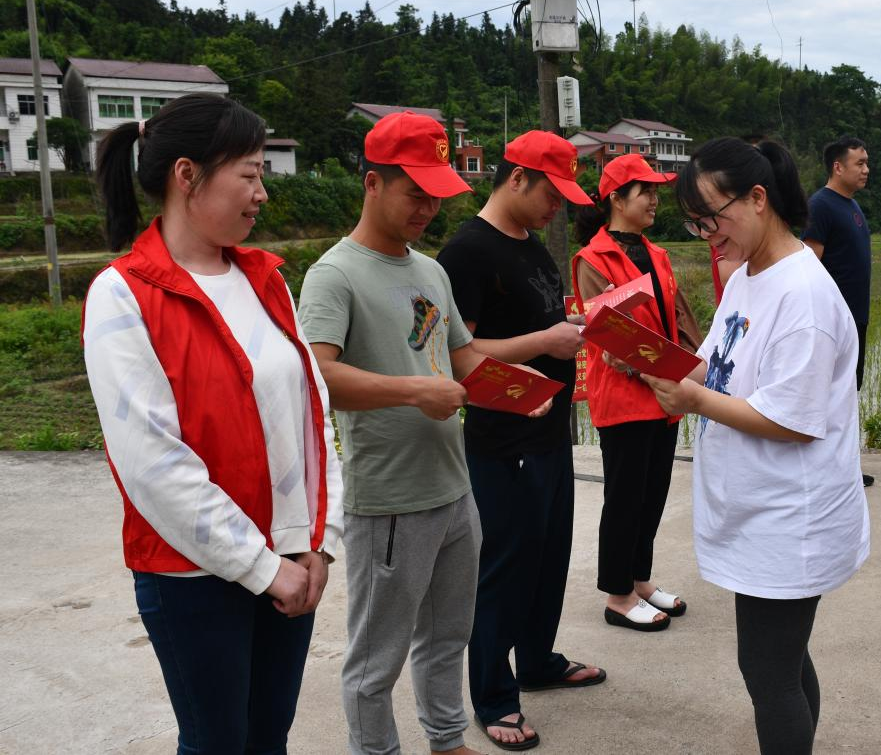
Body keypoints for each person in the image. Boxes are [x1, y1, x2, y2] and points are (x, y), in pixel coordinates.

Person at [81, 93, 344, 753]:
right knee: (217, 742)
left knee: (268, 737)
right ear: (187, 176)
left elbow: (313, 416)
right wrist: (262, 567)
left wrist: (319, 539)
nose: (262, 192)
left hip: (291, 561)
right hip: (192, 577)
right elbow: (153, 466)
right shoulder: (122, 295)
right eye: (250, 173)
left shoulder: (266, 279)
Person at [300, 111, 538, 755]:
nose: (428, 209)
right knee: (375, 661)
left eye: (437, 195)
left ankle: (447, 741)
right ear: (372, 183)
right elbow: (317, 377)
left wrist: (518, 390)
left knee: (448, 638)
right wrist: (413, 390)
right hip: (390, 498)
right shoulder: (334, 275)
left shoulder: (431, 271)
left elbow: (460, 359)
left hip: (453, 489)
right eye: (415, 193)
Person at [641, 137, 870, 755]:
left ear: (758, 198)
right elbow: (717, 364)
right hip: (758, 509)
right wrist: (654, 362)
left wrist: (693, 401)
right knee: (783, 663)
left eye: (711, 218)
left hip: (791, 517)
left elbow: (793, 421)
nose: (705, 235)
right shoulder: (748, 275)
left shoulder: (804, 295)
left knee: (768, 673)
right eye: (694, 223)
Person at [437, 131, 605, 751]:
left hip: (548, 429)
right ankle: (493, 694)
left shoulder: (532, 247)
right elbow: (458, 352)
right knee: (504, 566)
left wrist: (571, 327)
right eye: (550, 194)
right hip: (502, 437)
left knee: (549, 554)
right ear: (515, 178)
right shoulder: (467, 253)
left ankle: (536, 660)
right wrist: (544, 342)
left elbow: (541, 322)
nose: (556, 208)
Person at [571, 153, 703, 632]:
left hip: (664, 394)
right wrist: (660, 369)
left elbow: (679, 320)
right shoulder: (592, 259)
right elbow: (608, 335)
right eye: (644, 191)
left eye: (655, 191)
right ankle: (618, 594)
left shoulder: (657, 254)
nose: (653, 200)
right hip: (626, 395)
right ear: (616, 199)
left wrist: (690, 366)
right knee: (625, 498)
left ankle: (640, 580)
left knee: (653, 494)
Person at [803, 135, 876, 487]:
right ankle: (825, 469)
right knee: (830, 395)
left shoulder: (852, 205)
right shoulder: (821, 206)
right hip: (833, 323)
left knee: (847, 394)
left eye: (866, 163)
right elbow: (809, 266)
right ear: (838, 167)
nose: (866, 169)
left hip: (856, 319)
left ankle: (843, 466)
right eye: (859, 163)